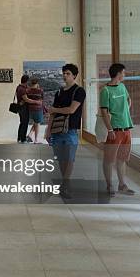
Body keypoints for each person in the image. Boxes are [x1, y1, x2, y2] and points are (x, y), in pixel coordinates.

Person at [45, 64, 86, 197]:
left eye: (68, 73)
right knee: (61, 159)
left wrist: (54, 109)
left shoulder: (79, 91)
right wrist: (48, 130)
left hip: (70, 130)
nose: (65, 75)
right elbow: (52, 114)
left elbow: (71, 109)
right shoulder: (59, 92)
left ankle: (65, 185)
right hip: (57, 130)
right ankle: (65, 184)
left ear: (74, 75)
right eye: (64, 73)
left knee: (69, 159)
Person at [100, 63, 135, 196]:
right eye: (123, 73)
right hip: (114, 130)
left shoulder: (122, 86)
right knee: (109, 159)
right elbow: (104, 112)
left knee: (122, 159)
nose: (124, 75)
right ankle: (109, 185)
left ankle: (122, 184)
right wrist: (110, 130)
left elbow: (128, 99)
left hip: (126, 129)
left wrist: (124, 110)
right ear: (118, 73)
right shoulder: (106, 91)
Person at [26, 78, 44, 143]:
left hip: (30, 109)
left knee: (36, 123)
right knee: (37, 123)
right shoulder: (40, 91)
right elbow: (42, 100)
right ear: (37, 83)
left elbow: (27, 99)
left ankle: (30, 135)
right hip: (38, 109)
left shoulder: (28, 91)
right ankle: (36, 140)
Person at [16, 75, 32, 143]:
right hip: (24, 108)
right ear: (27, 81)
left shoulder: (19, 87)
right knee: (25, 123)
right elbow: (26, 99)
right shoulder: (22, 89)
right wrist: (36, 101)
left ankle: (19, 138)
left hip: (20, 108)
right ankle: (23, 139)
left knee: (22, 123)